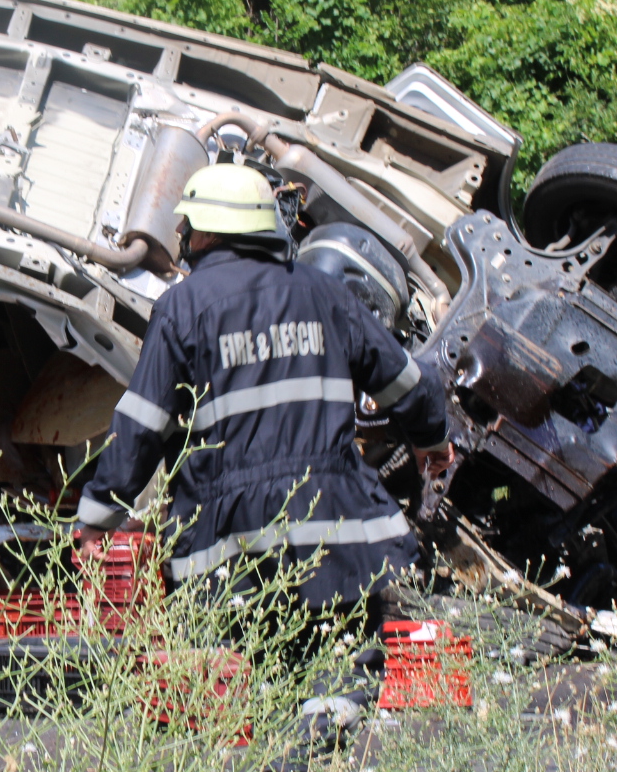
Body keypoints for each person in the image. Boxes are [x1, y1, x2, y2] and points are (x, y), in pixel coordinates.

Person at [73, 162, 452, 634]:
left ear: (209, 233)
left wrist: (97, 517)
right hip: (334, 524)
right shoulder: (325, 292)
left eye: (187, 223)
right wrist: (431, 441)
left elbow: (142, 425)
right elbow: (410, 383)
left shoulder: (183, 307)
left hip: (233, 539)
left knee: (243, 687)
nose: (180, 232)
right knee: (341, 680)